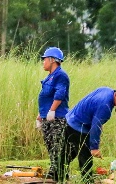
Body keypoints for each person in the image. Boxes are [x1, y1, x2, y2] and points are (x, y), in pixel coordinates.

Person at [56, 86, 116, 183]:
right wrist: (94, 148)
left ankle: (58, 176)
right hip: (79, 126)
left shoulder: (106, 90)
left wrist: (98, 123)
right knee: (85, 157)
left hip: (69, 119)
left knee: (68, 152)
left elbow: (94, 113)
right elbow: (96, 126)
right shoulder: (105, 106)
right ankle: (87, 181)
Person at [37, 47, 71, 180]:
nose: (43, 62)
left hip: (57, 116)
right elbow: (46, 97)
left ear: (52, 60)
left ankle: (61, 172)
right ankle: (54, 169)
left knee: (57, 144)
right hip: (47, 116)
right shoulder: (50, 77)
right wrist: (41, 114)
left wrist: (52, 110)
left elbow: (60, 94)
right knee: (50, 144)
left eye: (44, 59)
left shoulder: (60, 75)